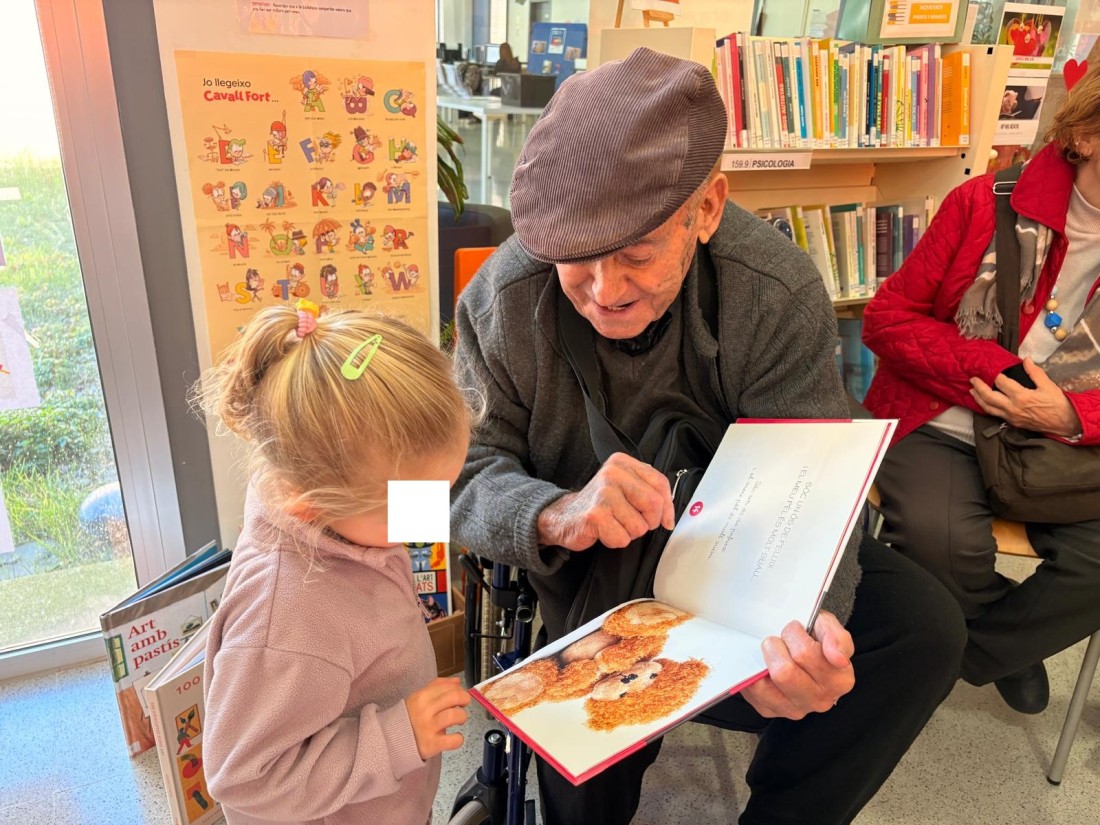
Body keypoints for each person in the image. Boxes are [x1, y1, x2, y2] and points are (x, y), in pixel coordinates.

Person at [450, 47, 966, 825]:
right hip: (588, 572)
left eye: (637, 253)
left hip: (743, 553)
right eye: (575, 260)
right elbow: (449, 481)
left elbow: (817, 484)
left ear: (709, 208)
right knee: (581, 755)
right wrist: (555, 512)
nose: (604, 291)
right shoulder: (504, 299)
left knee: (923, 628)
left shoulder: (773, 288)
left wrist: (804, 630)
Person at [862, 65, 1100, 715]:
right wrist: (994, 369)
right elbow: (887, 320)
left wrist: (1073, 414)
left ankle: (966, 651)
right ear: (1085, 133)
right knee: (941, 541)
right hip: (942, 417)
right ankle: (1008, 644)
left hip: (1061, 440)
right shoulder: (981, 203)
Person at [197, 304, 474, 824]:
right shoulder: (287, 615)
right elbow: (243, 776)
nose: (433, 515)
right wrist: (399, 736)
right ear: (311, 503)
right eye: (413, 503)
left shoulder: (341, 518)